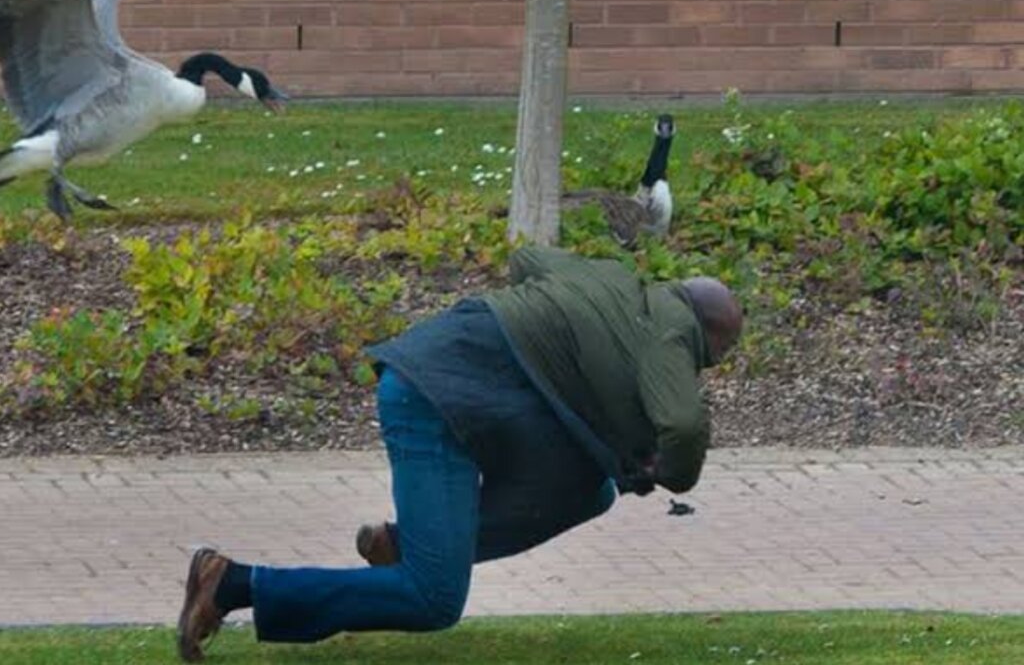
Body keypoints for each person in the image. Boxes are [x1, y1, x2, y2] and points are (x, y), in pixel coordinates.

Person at [175, 245, 744, 662]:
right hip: (437, 401)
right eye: (711, 359)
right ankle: (233, 583)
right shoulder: (671, 338)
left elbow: (527, 260)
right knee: (433, 598)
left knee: (590, 488)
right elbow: (685, 426)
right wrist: (669, 472)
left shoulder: (606, 278)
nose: (700, 370)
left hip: (453, 383)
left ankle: (404, 545)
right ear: (705, 337)